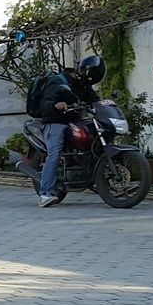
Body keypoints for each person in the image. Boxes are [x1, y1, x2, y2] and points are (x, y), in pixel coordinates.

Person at [26, 55, 105, 208]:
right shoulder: (57, 81)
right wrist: (56, 104)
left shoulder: (83, 84)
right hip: (55, 122)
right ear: (81, 72)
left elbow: (95, 101)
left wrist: (105, 106)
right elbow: (46, 102)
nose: (88, 84)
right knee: (54, 153)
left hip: (74, 121)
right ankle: (45, 194)